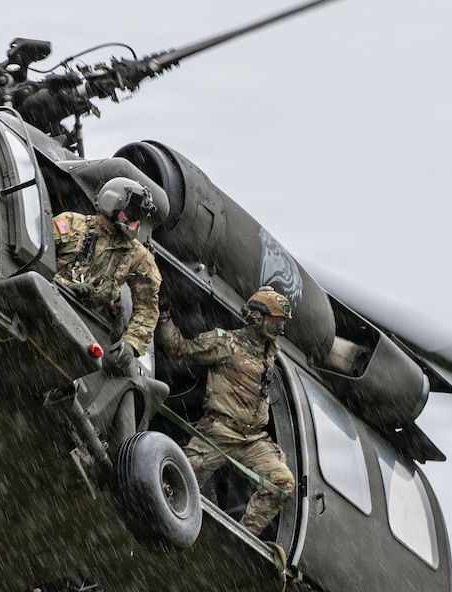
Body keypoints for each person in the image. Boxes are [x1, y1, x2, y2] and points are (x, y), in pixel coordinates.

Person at [155, 286, 296, 536]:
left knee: (282, 481)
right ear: (257, 318)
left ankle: (243, 536)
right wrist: (164, 314)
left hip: (252, 439)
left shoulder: (270, 352)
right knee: (177, 482)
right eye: (275, 322)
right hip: (218, 432)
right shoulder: (225, 343)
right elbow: (178, 348)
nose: (280, 329)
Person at [53, 177, 162, 371]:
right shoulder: (70, 224)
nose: (135, 220)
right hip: (50, 304)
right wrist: (64, 285)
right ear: (112, 202)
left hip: (88, 326)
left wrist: (132, 343)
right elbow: (34, 259)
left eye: (139, 216)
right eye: (132, 212)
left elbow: (148, 308)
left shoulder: (138, 256)